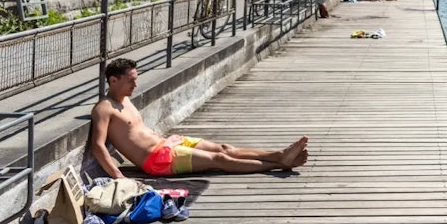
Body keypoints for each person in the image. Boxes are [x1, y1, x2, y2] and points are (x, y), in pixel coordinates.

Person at [90, 58, 308, 178]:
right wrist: (118, 176)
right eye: (130, 81)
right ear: (113, 80)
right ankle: (277, 164)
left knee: (224, 148)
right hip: (157, 160)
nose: (135, 85)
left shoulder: (125, 100)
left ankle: (279, 154)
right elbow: (98, 146)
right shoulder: (104, 109)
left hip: (168, 144)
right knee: (220, 160)